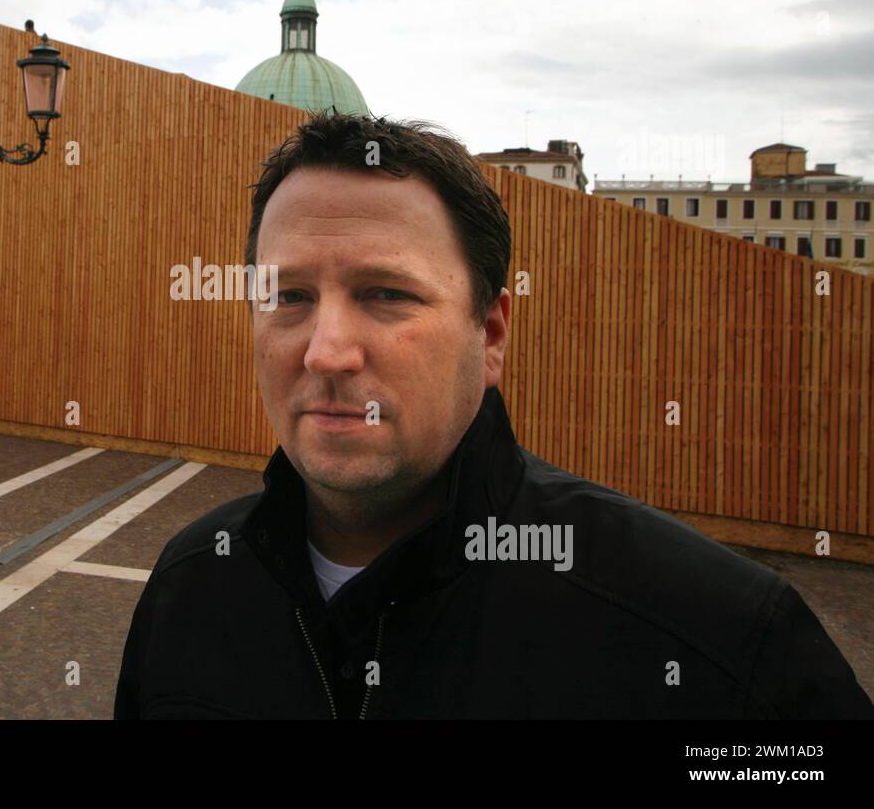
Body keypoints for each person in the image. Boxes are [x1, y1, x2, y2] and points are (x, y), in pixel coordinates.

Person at [114, 111, 873, 719]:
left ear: (492, 334)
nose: (327, 352)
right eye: (289, 296)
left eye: (387, 294)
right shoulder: (189, 588)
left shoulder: (721, 640)